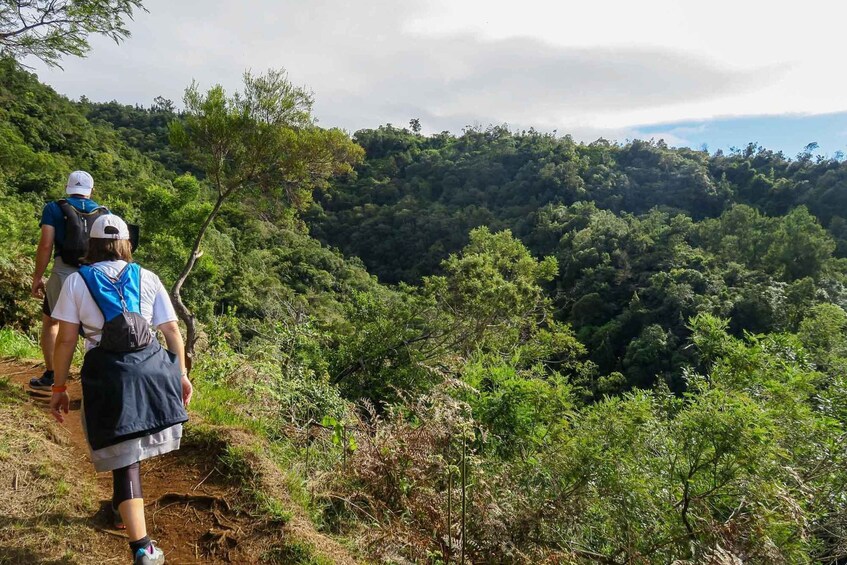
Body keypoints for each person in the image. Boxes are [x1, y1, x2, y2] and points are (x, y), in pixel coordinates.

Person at [48, 214, 193, 565]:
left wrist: (59, 385)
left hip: (108, 375)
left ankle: (142, 548)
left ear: (91, 245)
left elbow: (66, 340)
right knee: (128, 450)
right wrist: (181, 375)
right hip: (151, 369)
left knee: (125, 457)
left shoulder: (77, 282)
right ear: (127, 243)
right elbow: (172, 331)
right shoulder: (147, 277)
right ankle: (119, 509)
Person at [30, 170, 108, 390]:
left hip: (63, 271)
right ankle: (95, 379)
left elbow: (46, 244)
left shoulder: (54, 208)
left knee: (52, 321)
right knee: (95, 327)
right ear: (91, 191)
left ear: (68, 188)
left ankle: (52, 374)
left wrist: (37, 277)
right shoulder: (103, 212)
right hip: (94, 274)